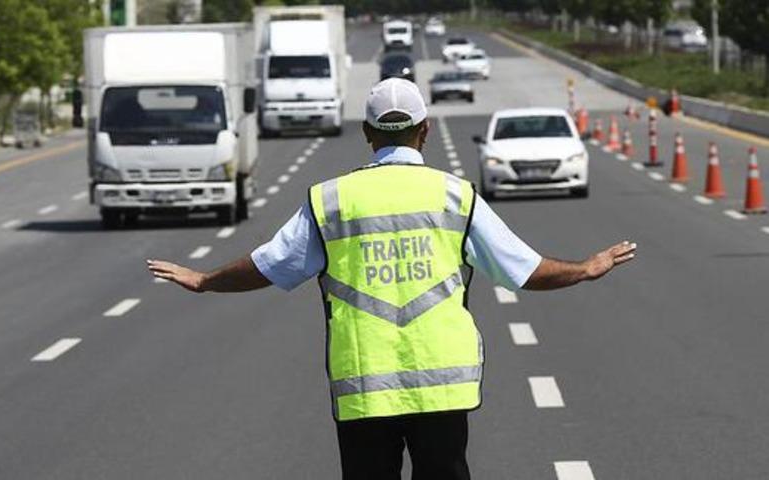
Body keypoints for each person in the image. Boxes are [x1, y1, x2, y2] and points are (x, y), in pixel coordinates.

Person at [147, 78, 637, 480]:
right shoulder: (454, 196)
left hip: (364, 388)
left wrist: (205, 279)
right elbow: (522, 269)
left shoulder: (332, 200)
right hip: (442, 387)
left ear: (367, 132)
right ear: (424, 131)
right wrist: (585, 269)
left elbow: (269, 265)